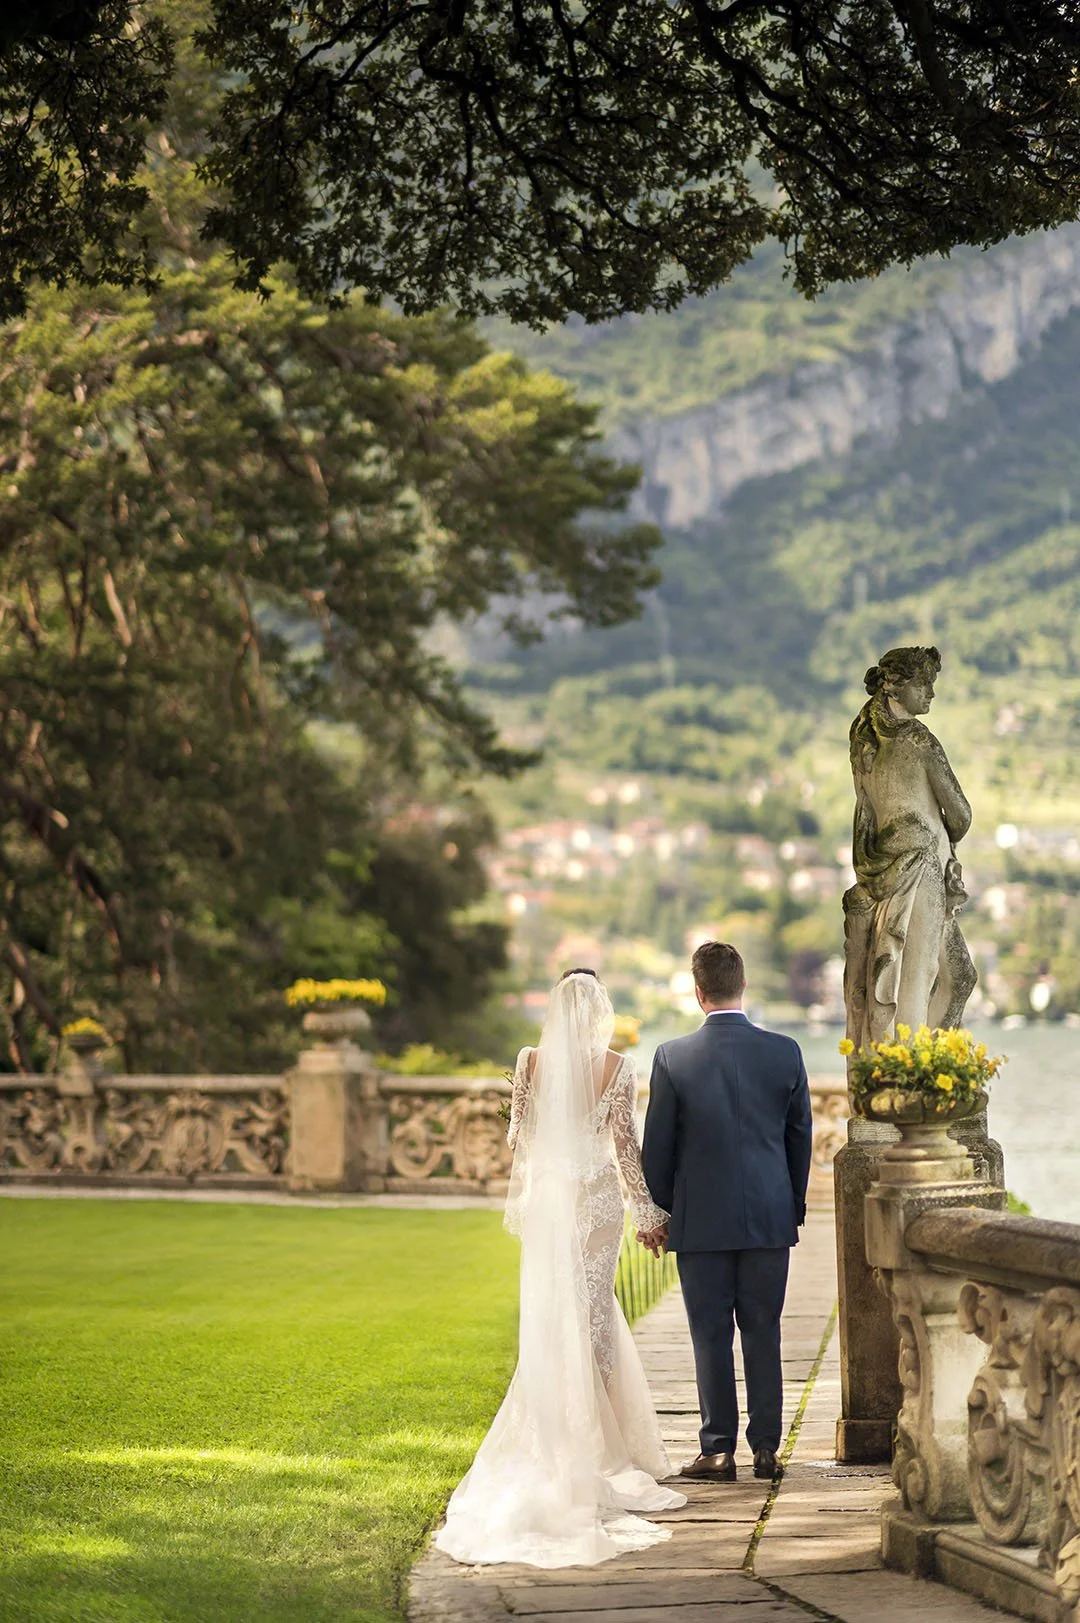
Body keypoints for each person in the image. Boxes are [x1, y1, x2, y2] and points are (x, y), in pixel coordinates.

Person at [435, 969, 686, 1569]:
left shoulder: (528, 1062)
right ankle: (600, 1446)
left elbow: (518, 1139)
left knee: (553, 1315)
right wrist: (649, 1212)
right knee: (595, 1315)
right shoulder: (618, 1069)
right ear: (599, 1010)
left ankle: (562, 1435)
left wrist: (540, 1183)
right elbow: (626, 1151)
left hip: (552, 1201)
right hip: (598, 1203)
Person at [641, 942, 813, 1483]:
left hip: (701, 1222)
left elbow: (658, 1148)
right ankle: (766, 1449)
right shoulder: (786, 1052)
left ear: (698, 992)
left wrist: (662, 1212)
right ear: (743, 986)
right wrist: (792, 1205)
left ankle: (717, 1450)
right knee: (763, 1328)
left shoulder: (671, 1057)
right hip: (768, 1216)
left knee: (709, 1333)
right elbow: (799, 1139)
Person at [843, 645, 977, 1049]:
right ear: (895, 687)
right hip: (923, 868)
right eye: (925, 685)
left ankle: (925, 1068)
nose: (931, 694)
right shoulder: (919, 741)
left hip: (883, 865)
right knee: (940, 978)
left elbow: (868, 809)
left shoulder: (863, 741)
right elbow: (961, 816)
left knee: (914, 980)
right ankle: (926, 1071)